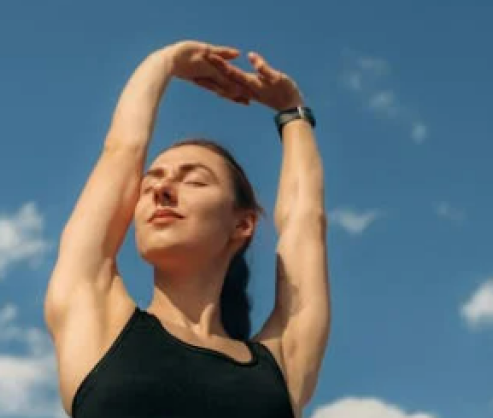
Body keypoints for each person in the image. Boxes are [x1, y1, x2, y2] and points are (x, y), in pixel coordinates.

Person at [44, 40, 330, 418]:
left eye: (194, 181)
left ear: (243, 223)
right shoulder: (94, 316)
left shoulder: (282, 362)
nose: (161, 189)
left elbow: (306, 222)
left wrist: (292, 112)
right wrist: (164, 63)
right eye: (149, 183)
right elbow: (122, 151)